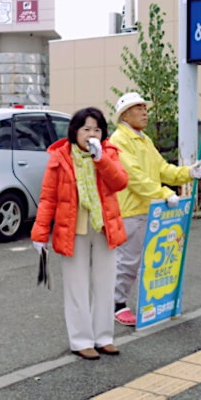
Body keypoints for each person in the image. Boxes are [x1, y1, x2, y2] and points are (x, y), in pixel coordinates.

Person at [31, 107, 129, 360]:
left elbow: (119, 182)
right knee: (77, 286)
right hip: (72, 230)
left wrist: (101, 159)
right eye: (86, 129)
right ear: (75, 132)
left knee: (105, 284)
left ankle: (104, 337)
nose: (91, 134)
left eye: (96, 129)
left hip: (104, 227)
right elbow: (48, 198)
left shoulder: (109, 152)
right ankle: (81, 340)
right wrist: (40, 233)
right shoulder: (59, 157)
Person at [108, 93, 201, 326]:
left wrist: (187, 173)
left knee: (148, 261)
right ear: (125, 114)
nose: (144, 112)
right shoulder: (120, 140)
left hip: (149, 207)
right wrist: (164, 192)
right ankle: (116, 304)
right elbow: (133, 177)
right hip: (131, 209)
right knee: (128, 261)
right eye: (138, 108)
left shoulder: (144, 139)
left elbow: (162, 169)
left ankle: (146, 303)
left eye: (144, 107)